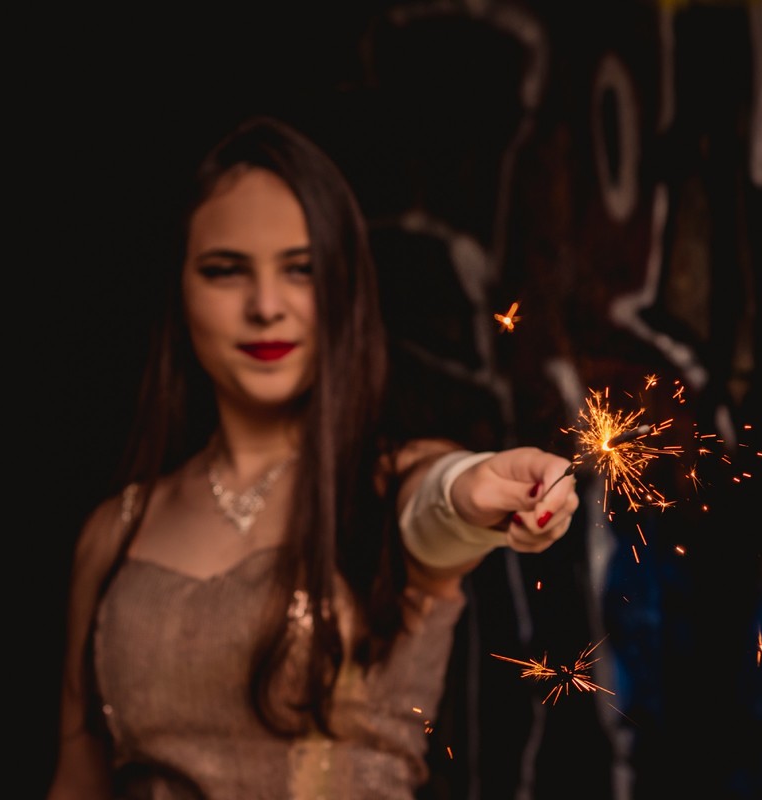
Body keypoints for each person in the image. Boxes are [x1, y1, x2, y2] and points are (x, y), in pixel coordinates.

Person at [44, 115, 579, 800]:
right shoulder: (112, 533)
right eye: (225, 271)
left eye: (301, 270)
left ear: (344, 289)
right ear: (180, 291)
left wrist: (468, 492)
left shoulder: (386, 485)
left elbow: (436, 511)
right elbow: (76, 780)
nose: (266, 307)